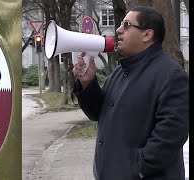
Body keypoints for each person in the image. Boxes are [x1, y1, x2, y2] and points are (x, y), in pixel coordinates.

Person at [72, 6, 188, 180]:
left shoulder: (171, 76)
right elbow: (97, 113)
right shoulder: (121, 71)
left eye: (126, 25)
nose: (118, 30)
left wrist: (138, 169)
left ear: (147, 35)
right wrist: (87, 83)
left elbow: (171, 135)